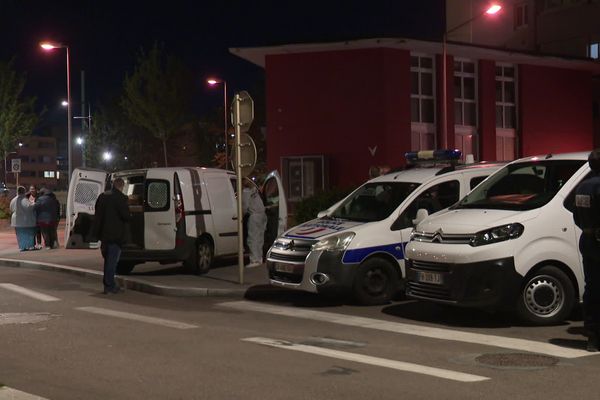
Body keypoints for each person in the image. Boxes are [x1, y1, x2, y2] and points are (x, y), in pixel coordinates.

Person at [573, 148, 600, 352]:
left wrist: (585, 223)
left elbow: (571, 209)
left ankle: (592, 336)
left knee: (591, 288)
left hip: (588, 240)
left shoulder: (583, 186)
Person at [91, 178, 130, 294]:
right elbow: (126, 216)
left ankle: (108, 284)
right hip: (116, 235)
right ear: (121, 186)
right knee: (112, 262)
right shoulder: (121, 198)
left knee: (108, 260)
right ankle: (110, 286)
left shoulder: (102, 196)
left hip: (104, 234)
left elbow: (97, 211)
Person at [242, 179, 267, 268]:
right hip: (262, 215)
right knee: (260, 238)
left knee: (252, 239)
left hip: (254, 217)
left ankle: (254, 260)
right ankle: (259, 259)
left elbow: (244, 207)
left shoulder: (246, 192)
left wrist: (240, 215)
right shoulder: (255, 191)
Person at [10, 186, 37, 251]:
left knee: (20, 235)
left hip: (16, 221)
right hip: (25, 221)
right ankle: (29, 246)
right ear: (24, 192)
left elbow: (11, 209)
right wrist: (34, 204)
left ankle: (22, 247)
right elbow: (29, 207)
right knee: (28, 234)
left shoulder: (13, 200)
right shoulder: (23, 199)